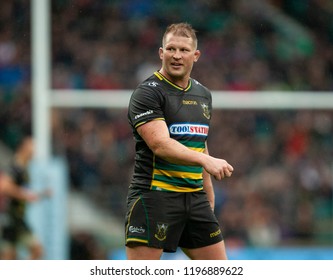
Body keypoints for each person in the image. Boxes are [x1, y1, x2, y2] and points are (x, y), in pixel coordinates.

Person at [125, 22, 234, 260]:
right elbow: (160, 145)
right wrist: (207, 161)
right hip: (155, 197)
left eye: (184, 50)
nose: (176, 55)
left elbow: (199, 143)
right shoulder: (148, 93)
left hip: (195, 199)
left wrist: (208, 197)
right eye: (171, 49)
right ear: (161, 52)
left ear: (195, 56)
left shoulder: (203, 95)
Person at [0, 136, 44, 260]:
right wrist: (25, 195)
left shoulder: (24, 168)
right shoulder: (16, 166)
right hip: (10, 218)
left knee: (13, 256)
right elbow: (4, 186)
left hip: (17, 218)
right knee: (36, 250)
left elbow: (21, 191)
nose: (35, 150)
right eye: (32, 146)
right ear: (24, 147)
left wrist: (40, 194)